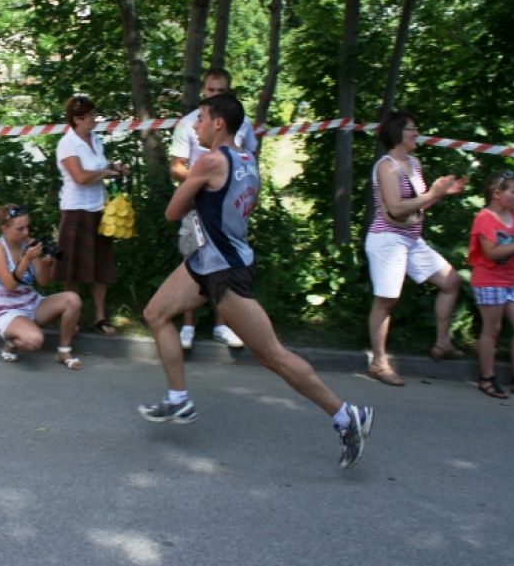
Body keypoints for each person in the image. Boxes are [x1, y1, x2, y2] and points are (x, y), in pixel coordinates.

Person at [138, 93, 373, 470]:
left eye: (201, 118)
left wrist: (193, 185)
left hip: (225, 270)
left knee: (271, 355)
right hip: (210, 260)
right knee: (156, 313)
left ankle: (346, 415)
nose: (195, 125)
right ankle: (178, 397)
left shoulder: (210, 161)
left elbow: (171, 212)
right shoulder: (247, 159)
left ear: (218, 123)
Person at [365, 111, 467, 386]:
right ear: (397, 133)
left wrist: (440, 194)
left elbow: (418, 204)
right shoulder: (386, 166)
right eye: (412, 128)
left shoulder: (413, 162)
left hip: (411, 240)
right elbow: (397, 208)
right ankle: (378, 363)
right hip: (387, 239)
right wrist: (432, 193)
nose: (417, 133)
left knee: (451, 281)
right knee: (386, 300)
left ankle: (442, 343)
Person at [170, 67, 257, 351]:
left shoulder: (241, 123)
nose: (215, 94)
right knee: (191, 260)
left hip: (228, 210)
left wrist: (228, 185)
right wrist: (201, 183)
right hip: (197, 204)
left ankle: (223, 324)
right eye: (211, 89)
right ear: (203, 90)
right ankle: (188, 325)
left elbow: (250, 160)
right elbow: (177, 166)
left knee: (223, 264)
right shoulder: (189, 124)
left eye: (221, 90)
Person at [54, 95, 125, 335]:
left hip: (99, 209)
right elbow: (81, 177)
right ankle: (71, 318)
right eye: (91, 115)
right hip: (75, 210)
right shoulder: (67, 143)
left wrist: (114, 169)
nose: (96, 119)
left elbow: (97, 169)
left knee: (101, 267)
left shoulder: (95, 139)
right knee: (72, 270)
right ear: (77, 119)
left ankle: (100, 318)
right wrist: (106, 173)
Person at [0, 204, 83, 369]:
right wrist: (26, 259)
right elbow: (9, 285)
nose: (26, 233)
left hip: (33, 303)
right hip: (8, 311)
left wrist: (46, 264)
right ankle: (11, 343)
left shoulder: (29, 242)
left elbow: (43, 281)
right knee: (34, 341)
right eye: (20, 229)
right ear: (5, 229)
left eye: (27, 227)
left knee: (72, 299)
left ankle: (63, 351)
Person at [468, 170, 514, 398]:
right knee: (492, 329)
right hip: (489, 281)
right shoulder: (484, 218)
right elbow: (492, 253)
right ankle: (487, 378)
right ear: (497, 193)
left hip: (513, 280)